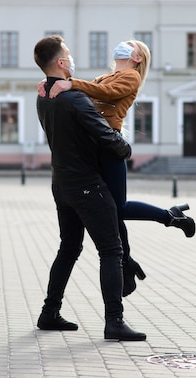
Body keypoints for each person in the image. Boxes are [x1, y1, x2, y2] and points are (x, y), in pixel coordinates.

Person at [41, 40, 195, 297]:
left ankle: (170, 216)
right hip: (95, 145)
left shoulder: (131, 77)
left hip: (110, 145)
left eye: (130, 45)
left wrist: (71, 84)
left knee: (118, 207)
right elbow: (81, 99)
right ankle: (126, 262)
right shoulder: (106, 75)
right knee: (111, 211)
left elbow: (106, 93)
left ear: (137, 58)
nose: (123, 45)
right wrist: (51, 87)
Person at [33, 34, 146, 341]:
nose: (72, 60)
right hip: (87, 185)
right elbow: (103, 135)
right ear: (60, 62)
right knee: (111, 250)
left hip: (61, 184)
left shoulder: (44, 95)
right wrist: (125, 149)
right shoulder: (74, 98)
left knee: (68, 248)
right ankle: (114, 321)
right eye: (68, 55)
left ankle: (49, 312)